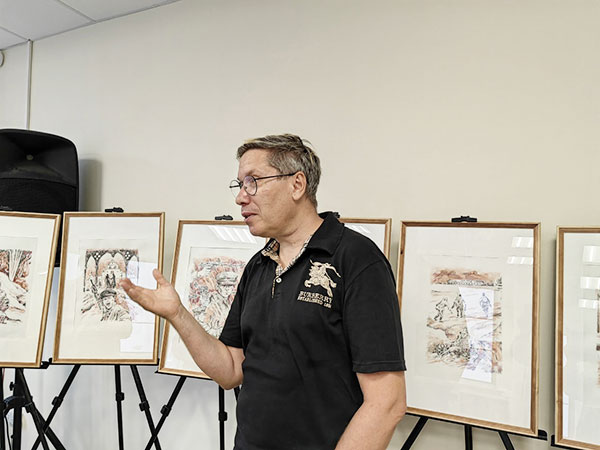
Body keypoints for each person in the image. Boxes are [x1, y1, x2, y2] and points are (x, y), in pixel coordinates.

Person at [121, 134, 406, 449]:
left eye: (253, 182)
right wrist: (177, 314)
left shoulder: (357, 259)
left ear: (297, 185)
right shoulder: (259, 265)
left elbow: (387, 403)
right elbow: (230, 370)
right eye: (240, 184)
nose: (240, 198)